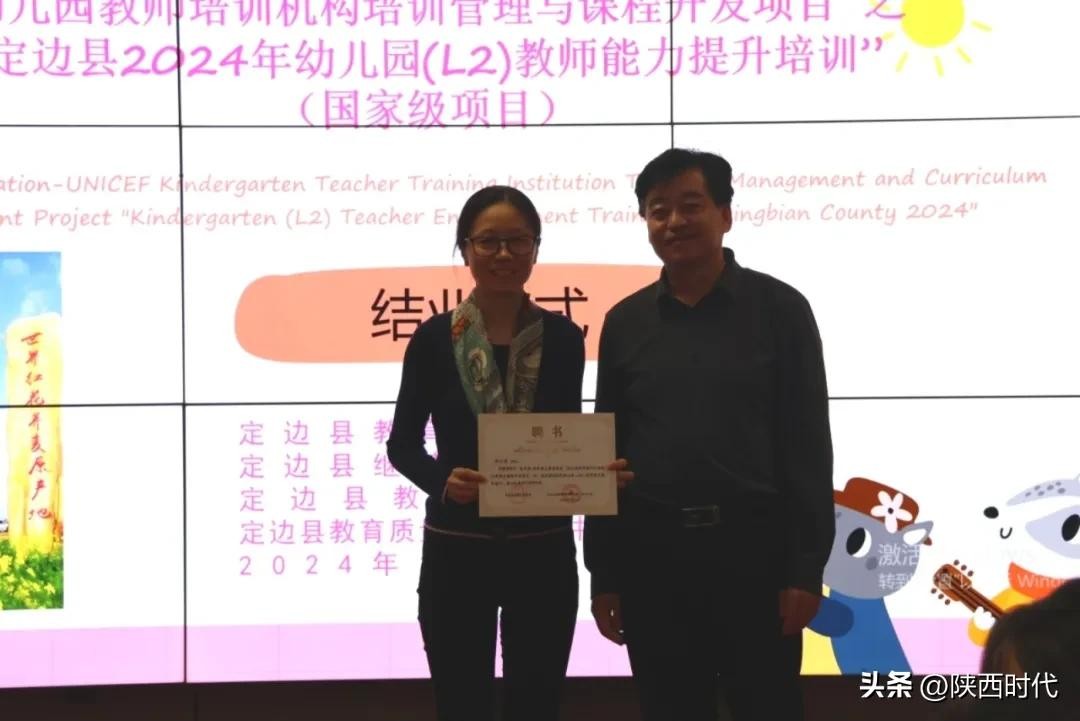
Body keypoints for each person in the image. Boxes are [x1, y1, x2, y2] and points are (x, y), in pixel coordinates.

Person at [583, 148, 835, 721]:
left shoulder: (782, 310)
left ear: (725, 214)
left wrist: (804, 570)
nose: (674, 222)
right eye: (658, 210)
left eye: (690, 206)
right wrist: (605, 575)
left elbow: (807, 447)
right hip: (653, 558)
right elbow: (606, 453)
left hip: (755, 555)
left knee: (767, 706)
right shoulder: (625, 322)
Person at [386, 185, 632, 721]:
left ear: (536, 249)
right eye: (488, 241)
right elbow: (402, 445)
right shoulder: (433, 339)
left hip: (542, 552)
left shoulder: (563, 338)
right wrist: (441, 481)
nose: (504, 254)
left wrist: (595, 472)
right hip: (457, 550)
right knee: (460, 703)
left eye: (518, 241)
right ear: (465, 248)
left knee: (537, 703)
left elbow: (564, 436)